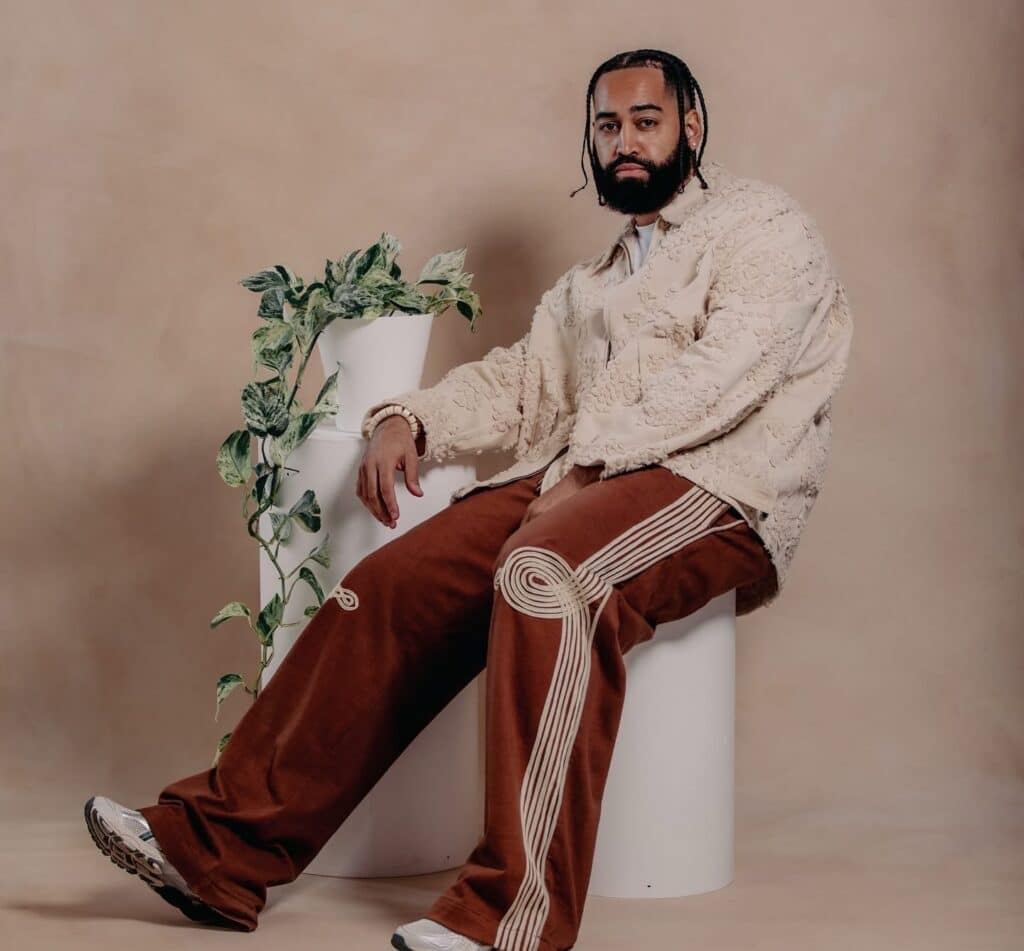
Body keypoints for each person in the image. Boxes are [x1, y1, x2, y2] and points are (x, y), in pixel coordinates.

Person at [84, 48, 853, 951]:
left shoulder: (764, 226)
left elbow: (729, 374)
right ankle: (216, 849)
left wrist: (588, 467)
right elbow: (523, 383)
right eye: (607, 126)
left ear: (690, 126)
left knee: (542, 573)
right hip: (580, 475)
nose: (624, 143)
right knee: (391, 585)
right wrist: (410, 418)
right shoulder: (592, 284)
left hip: (719, 484)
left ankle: (510, 918)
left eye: (646, 122)